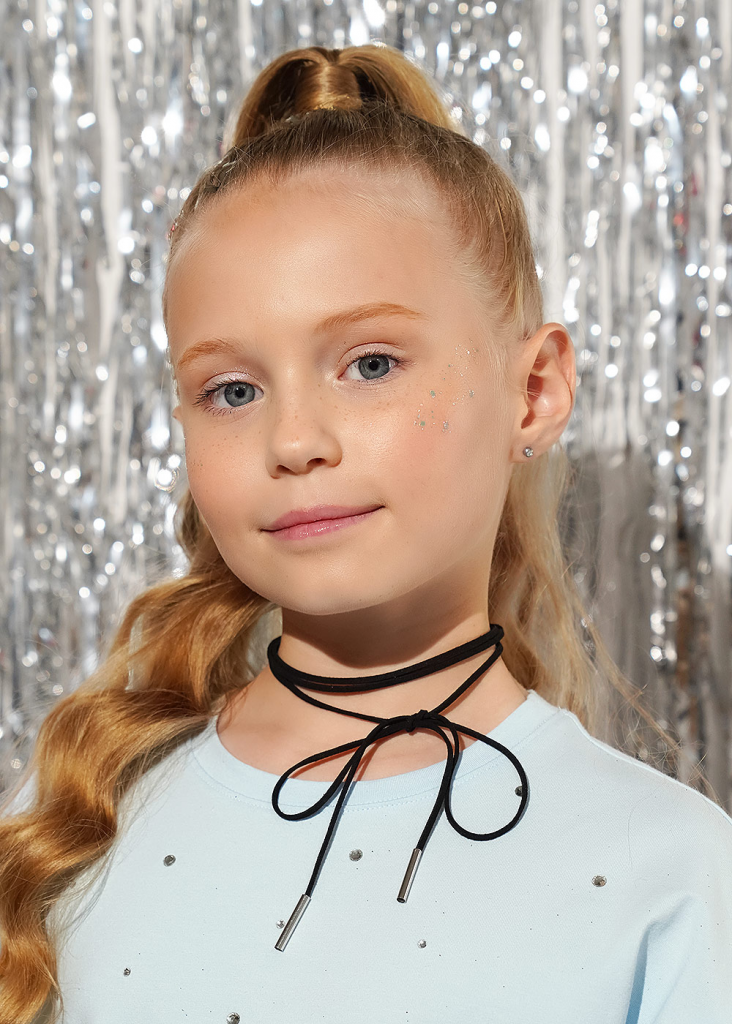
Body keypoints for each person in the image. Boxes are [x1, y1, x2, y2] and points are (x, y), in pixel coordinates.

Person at [1, 43, 730, 1024]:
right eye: (232, 390)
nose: (294, 440)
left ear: (534, 390)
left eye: (371, 364)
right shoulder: (67, 833)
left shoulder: (671, 872)